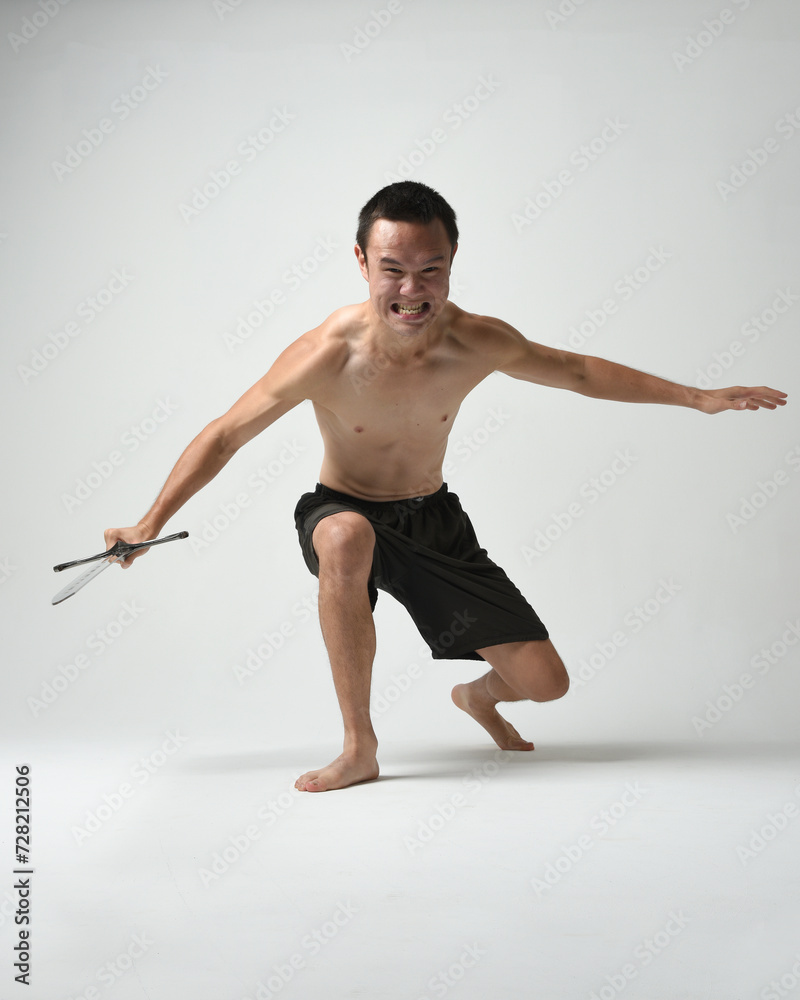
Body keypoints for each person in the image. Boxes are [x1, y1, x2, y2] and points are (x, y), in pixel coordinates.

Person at [105, 181, 787, 793]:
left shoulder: (477, 341)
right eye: (393, 270)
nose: (412, 291)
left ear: (452, 263)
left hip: (433, 521)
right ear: (362, 263)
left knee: (546, 685)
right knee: (345, 536)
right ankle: (359, 747)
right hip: (344, 509)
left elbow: (577, 371)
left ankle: (477, 697)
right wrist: (149, 520)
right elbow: (226, 433)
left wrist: (698, 398)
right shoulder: (326, 355)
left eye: (431, 270)